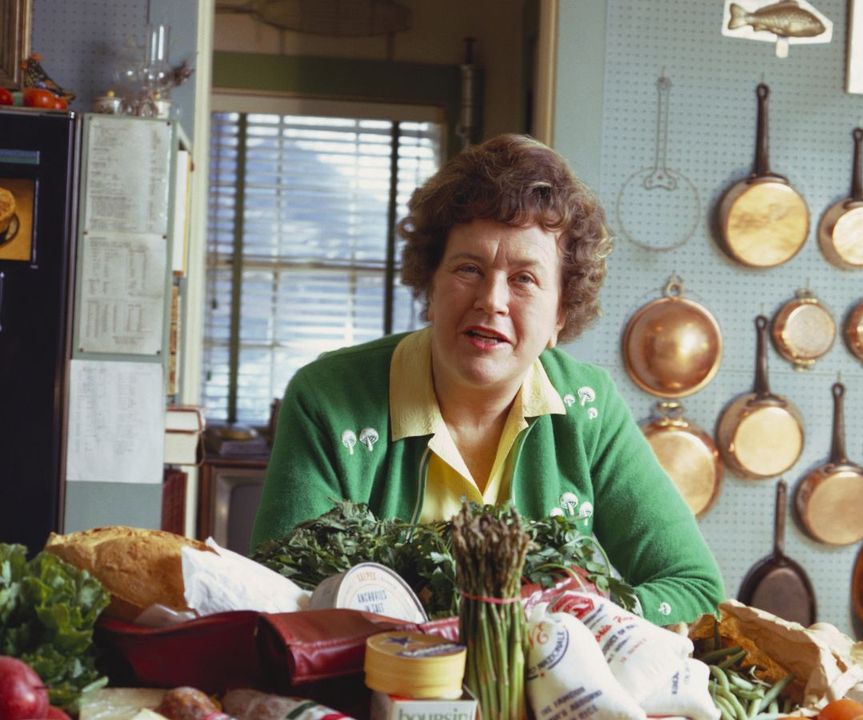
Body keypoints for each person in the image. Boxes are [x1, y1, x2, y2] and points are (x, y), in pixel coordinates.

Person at [250, 134, 725, 624]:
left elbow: (696, 589)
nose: (492, 300)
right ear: (431, 287)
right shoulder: (328, 397)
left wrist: (580, 616)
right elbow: (281, 592)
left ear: (561, 313)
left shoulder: (589, 408)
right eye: (468, 268)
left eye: (524, 279)